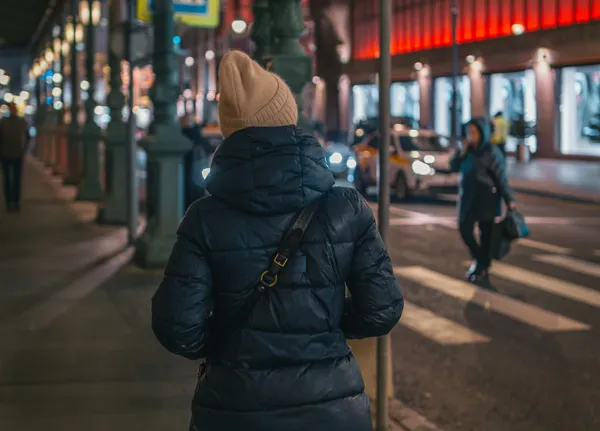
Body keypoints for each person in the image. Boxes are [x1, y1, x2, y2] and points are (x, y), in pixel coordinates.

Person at [151, 50, 403, 431]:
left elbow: (177, 327)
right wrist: (325, 329)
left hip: (235, 408)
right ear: (289, 117)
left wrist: (230, 344)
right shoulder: (346, 207)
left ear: (229, 129)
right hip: (332, 409)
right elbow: (382, 308)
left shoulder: (205, 218)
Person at [450, 117, 516, 284]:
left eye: (474, 131)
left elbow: (501, 177)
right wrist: (462, 151)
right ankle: (480, 260)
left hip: (486, 197)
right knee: (465, 229)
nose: (470, 135)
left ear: (482, 132)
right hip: (468, 197)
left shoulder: (491, 152)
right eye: (468, 131)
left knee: (486, 234)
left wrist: (509, 199)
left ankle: (482, 266)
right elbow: (453, 166)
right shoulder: (467, 151)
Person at [0, 103, 29, 212]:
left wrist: (24, 148)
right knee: (7, 179)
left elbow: (27, 136)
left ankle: (15, 201)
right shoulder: (4, 122)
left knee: (16, 179)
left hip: (16, 153)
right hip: (6, 153)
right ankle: (9, 202)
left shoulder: (20, 122)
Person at [180, 114, 214, 209]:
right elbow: (208, 148)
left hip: (183, 171)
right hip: (197, 173)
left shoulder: (180, 136)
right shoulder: (197, 135)